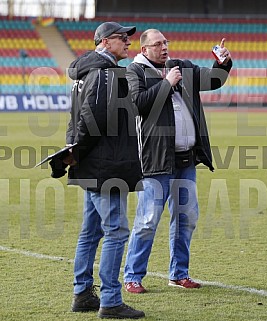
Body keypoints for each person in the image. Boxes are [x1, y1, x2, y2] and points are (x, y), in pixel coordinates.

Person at [124, 29, 232, 293]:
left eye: (166, 42)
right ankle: (132, 276)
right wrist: (166, 83)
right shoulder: (135, 71)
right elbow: (138, 104)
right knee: (148, 220)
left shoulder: (180, 66)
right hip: (156, 160)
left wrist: (223, 63)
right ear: (145, 49)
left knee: (186, 218)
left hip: (185, 161)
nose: (164, 47)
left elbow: (213, 80)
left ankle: (179, 273)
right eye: (158, 44)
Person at [65, 21, 145, 319]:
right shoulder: (105, 73)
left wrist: (73, 153)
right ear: (104, 42)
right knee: (116, 231)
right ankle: (110, 300)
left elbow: (77, 120)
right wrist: (78, 152)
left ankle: (82, 293)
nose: (127, 42)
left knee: (91, 231)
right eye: (122, 38)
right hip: (105, 164)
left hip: (92, 163)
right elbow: (92, 121)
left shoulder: (85, 73)